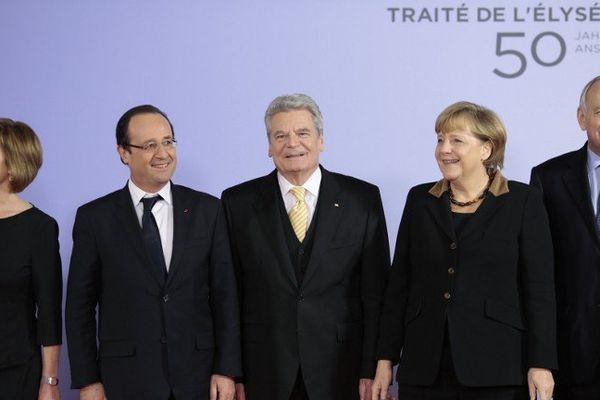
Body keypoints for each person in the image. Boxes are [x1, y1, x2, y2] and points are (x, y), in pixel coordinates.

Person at [372, 101, 557, 400]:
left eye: (457, 140)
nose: (444, 149)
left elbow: (540, 290)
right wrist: (384, 360)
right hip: (425, 369)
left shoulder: (523, 201)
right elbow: (399, 286)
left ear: (487, 149)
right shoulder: (420, 200)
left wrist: (541, 363)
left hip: (496, 369)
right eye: (440, 139)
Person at [221, 93, 390, 400]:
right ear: (269, 146)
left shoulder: (362, 199)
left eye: (302, 133)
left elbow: (376, 294)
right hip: (264, 371)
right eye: (280, 135)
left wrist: (372, 368)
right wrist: (233, 371)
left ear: (321, 140)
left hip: (343, 371)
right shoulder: (237, 203)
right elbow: (229, 295)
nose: (292, 143)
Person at [65, 105, 241, 400]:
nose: (162, 153)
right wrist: (88, 381)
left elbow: (226, 296)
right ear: (123, 153)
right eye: (149, 145)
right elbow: (79, 307)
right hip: (125, 380)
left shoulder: (208, 210)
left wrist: (226, 370)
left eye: (168, 142)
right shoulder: (95, 218)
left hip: (197, 379)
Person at [530, 75, 600, 399]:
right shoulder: (548, 177)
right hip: (572, 357)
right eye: (599, 111)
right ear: (582, 117)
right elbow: (536, 273)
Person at [0, 119, 62, 400]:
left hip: (14, 373)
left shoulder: (39, 228)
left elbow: (48, 312)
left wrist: (49, 381)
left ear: (14, 163)